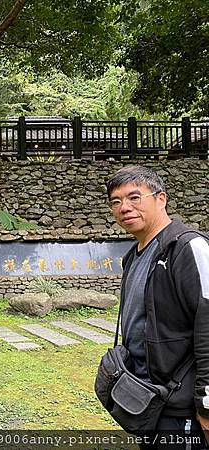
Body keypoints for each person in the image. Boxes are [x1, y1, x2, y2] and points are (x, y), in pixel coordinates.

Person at [106, 165, 209, 449]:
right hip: (147, 400)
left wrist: (206, 402)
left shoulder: (188, 248)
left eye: (134, 197)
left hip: (182, 406)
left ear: (161, 199)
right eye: (116, 201)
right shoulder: (135, 256)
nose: (124, 207)